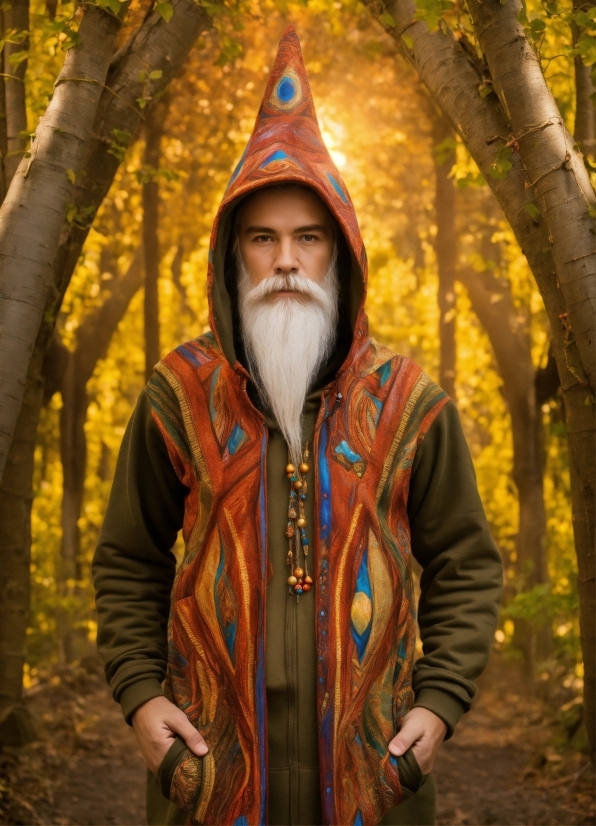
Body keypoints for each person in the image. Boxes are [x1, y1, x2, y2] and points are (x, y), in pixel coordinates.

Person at [92, 25, 503, 826]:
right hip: (207, 784)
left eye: (308, 239)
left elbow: (465, 561)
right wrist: (141, 699)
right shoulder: (178, 393)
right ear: (233, 256)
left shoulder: (409, 401)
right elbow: (128, 557)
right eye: (264, 239)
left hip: (375, 787)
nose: (286, 260)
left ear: (339, 254)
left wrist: (440, 702)